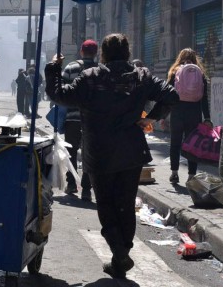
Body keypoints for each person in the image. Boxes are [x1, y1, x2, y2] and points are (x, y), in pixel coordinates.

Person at [45, 33, 178, 279]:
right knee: (125, 205)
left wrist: (54, 67)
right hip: (131, 152)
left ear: (103, 54)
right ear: (127, 53)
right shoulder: (142, 76)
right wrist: (150, 118)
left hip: (101, 152)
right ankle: (120, 258)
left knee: (106, 204)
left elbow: (58, 95)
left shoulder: (90, 78)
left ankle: (119, 253)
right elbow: (171, 95)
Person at [167, 48, 212, 184]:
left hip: (177, 113)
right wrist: (207, 118)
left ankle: (174, 173)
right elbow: (204, 99)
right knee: (192, 145)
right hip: (194, 114)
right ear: (195, 58)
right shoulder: (200, 73)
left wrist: (163, 115)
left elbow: (168, 95)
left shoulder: (175, 72)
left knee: (175, 143)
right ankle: (191, 175)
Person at [61, 39, 98, 201]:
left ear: (81, 51)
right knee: (89, 154)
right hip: (94, 120)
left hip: (72, 119)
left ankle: (71, 184)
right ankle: (86, 190)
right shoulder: (101, 70)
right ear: (96, 53)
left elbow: (60, 93)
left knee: (71, 152)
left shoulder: (70, 68)